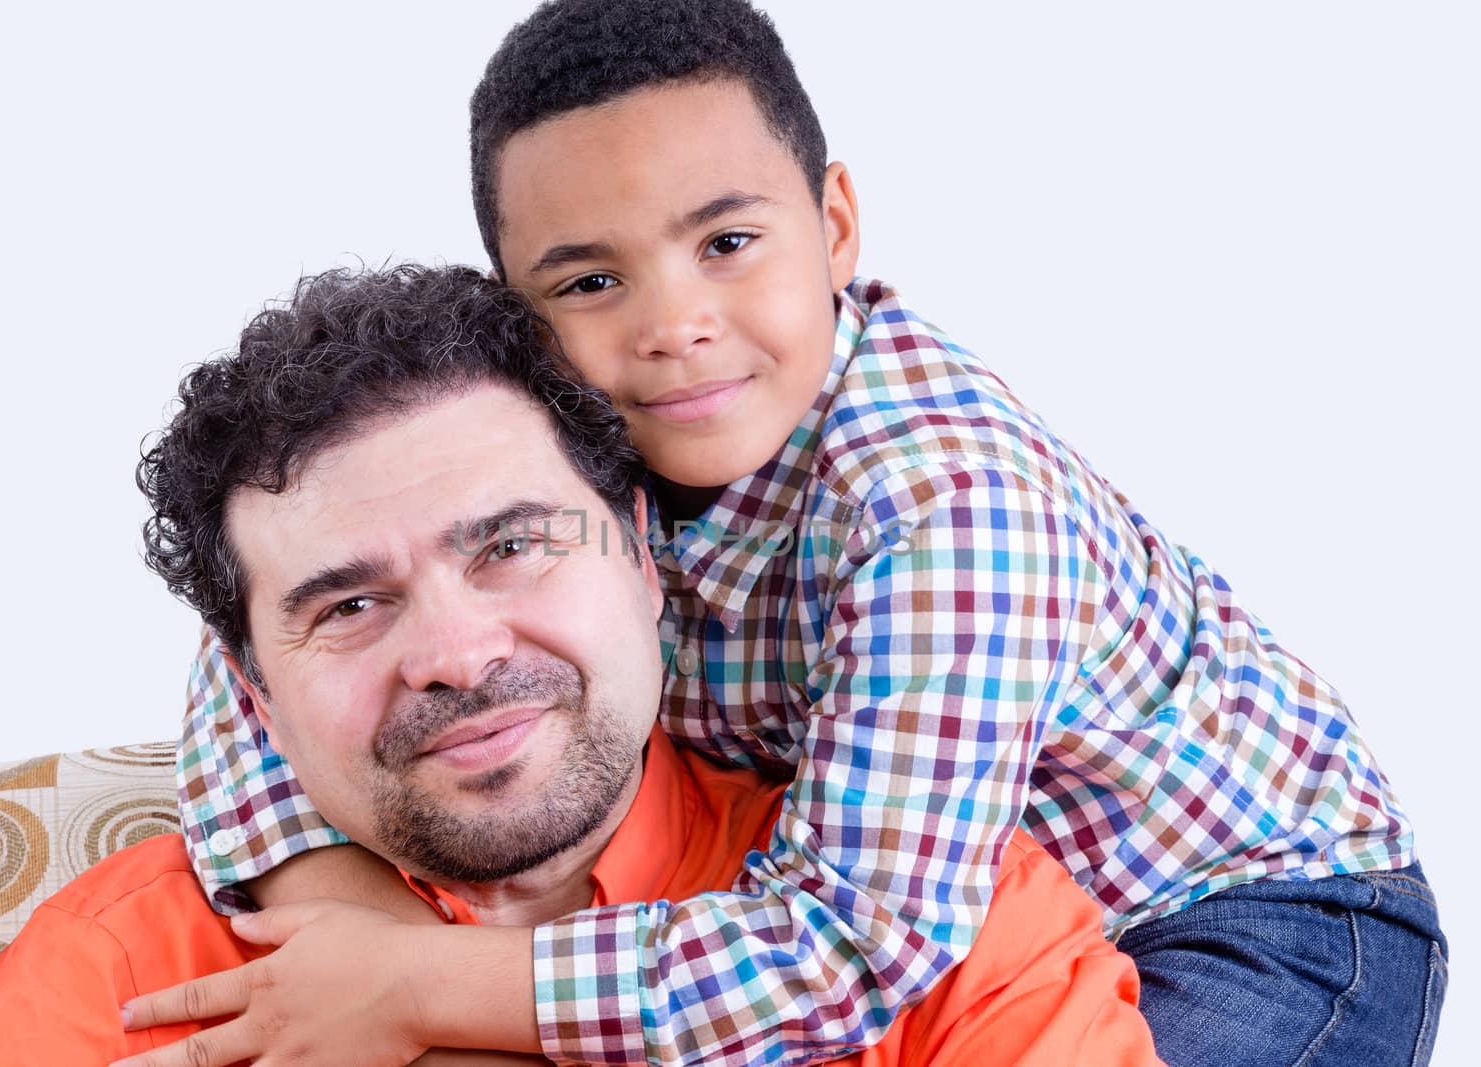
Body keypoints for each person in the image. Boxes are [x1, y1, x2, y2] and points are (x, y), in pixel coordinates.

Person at [164, 2, 1447, 1065]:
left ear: (833, 225)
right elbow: (277, 627)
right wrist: (340, 920)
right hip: (911, 921)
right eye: (591, 280)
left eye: (727, 242)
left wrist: (423, 981)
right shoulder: (565, 428)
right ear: (517, 304)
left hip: (1236, 914)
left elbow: (853, 942)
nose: (676, 325)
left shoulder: (946, 501)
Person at [0, 265, 1162, 1067]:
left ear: (642, 557)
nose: (454, 655)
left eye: (510, 544)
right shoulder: (127, 969)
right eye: (348, 604)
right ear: (251, 697)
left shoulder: (949, 918)